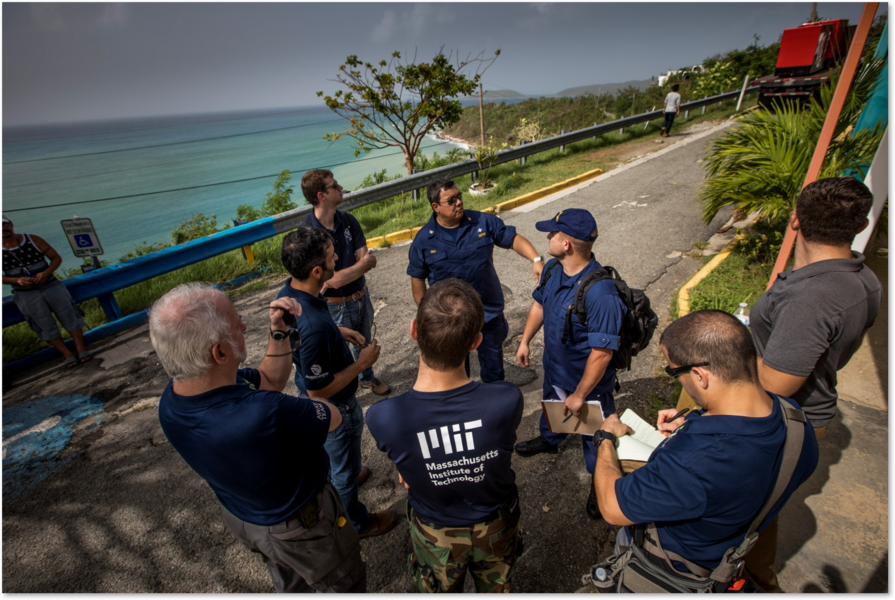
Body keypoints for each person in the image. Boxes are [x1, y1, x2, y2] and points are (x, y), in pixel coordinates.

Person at [150, 283, 366, 593]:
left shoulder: (174, 399)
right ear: (220, 352)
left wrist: (278, 332)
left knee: (292, 584)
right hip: (302, 525)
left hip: (247, 516)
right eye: (236, 323)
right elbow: (330, 417)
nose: (244, 324)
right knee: (343, 581)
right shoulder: (262, 414)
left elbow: (268, 380)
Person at [593, 310, 818, 584]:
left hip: (669, 568)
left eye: (673, 370)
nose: (674, 376)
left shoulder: (695, 461)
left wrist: (604, 439)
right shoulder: (794, 419)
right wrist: (694, 422)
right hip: (731, 550)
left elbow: (611, 507)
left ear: (700, 375)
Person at [745, 176, 881, 592]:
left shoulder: (811, 300)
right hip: (810, 413)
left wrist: (724, 351)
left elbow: (774, 382)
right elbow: (834, 354)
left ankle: (754, 581)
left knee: (748, 511)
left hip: (777, 422)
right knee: (762, 506)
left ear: (795, 221)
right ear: (858, 227)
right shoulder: (863, 280)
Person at [366, 278, 524, 593]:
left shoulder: (384, 417)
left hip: (433, 530)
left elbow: (411, 460)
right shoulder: (506, 400)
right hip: (496, 522)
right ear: (475, 342)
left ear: (414, 331)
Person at [278, 226, 398, 538]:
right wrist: (362, 364)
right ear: (317, 270)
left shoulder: (291, 294)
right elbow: (320, 388)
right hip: (336, 407)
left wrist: (339, 331)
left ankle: (345, 473)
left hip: (314, 390)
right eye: (333, 257)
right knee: (344, 471)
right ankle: (356, 523)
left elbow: (305, 338)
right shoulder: (315, 326)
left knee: (341, 462)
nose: (337, 260)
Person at [514, 209, 626, 519]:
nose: (547, 237)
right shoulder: (553, 268)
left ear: (567, 244)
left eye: (553, 233)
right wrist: (524, 340)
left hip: (586, 383)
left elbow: (602, 354)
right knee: (553, 409)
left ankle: (601, 482)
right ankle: (551, 440)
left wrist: (579, 394)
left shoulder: (601, 293)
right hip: (555, 367)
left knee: (596, 438)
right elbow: (540, 304)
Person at [407, 179, 544, 383]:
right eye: (451, 200)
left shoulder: (482, 222)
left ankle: (494, 403)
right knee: (456, 371)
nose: (459, 202)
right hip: (449, 318)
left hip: (487, 313)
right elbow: (417, 279)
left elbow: (512, 239)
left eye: (459, 196)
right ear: (436, 207)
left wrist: (536, 259)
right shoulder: (424, 240)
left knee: (493, 368)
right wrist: (427, 313)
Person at [299, 168, 391, 396]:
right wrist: (357, 269)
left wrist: (347, 273)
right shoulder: (308, 234)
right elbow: (335, 280)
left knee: (364, 342)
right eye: (334, 186)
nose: (341, 188)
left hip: (361, 296)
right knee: (333, 351)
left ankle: (367, 378)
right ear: (321, 195)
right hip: (333, 304)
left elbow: (366, 260)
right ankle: (337, 392)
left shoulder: (348, 220)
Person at [1, 213, 92, 368]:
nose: (3, 229)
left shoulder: (32, 240)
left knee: (69, 314)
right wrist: (17, 280)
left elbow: (55, 258)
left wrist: (46, 273)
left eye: (4, 224)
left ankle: (81, 349)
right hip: (25, 292)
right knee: (43, 323)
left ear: (11, 224)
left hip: (50, 285)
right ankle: (67, 354)